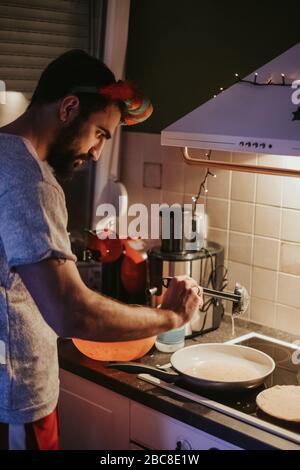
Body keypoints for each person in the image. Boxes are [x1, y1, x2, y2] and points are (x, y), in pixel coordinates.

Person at [0, 50, 203, 450]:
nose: (96, 154)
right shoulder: (30, 182)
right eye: (100, 134)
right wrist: (170, 315)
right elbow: (71, 313)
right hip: (16, 401)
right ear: (69, 107)